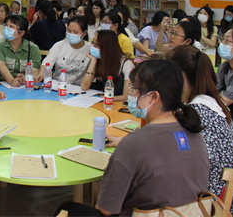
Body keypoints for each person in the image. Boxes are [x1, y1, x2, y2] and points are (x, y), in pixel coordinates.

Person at [59, 60, 209, 216]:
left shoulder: (134, 143)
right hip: (192, 213)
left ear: (153, 97)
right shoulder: (195, 134)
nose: (131, 94)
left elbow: (106, 209)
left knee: (69, 208)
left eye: (135, 89)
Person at [166, 46, 233, 197]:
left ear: (180, 76)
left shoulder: (195, 112)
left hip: (203, 200)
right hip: (218, 195)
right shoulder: (215, 103)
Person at [35, 15, 91, 86]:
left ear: (84, 33)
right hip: (58, 85)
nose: (71, 34)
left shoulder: (89, 49)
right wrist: (41, 74)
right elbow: (47, 62)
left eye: (75, 32)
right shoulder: (59, 45)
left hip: (79, 87)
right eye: (69, 31)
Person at [80, 30, 135, 100]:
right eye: (93, 43)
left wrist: (102, 98)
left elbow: (126, 96)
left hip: (117, 103)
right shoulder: (99, 59)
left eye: (96, 44)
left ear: (107, 47)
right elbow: (84, 87)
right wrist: (93, 61)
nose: (93, 47)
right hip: (105, 101)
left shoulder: (126, 64)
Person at [0, 14, 41, 87]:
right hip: (1, 83)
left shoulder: (33, 48)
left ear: (21, 33)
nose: (6, 28)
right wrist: (11, 80)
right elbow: (0, 66)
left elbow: (35, 70)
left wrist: (26, 78)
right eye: (6, 25)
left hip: (24, 85)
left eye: (11, 26)